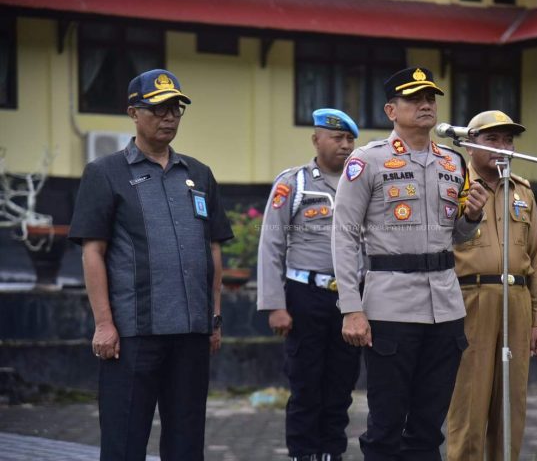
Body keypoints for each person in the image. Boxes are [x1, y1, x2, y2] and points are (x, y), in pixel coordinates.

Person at [68, 69, 233, 460]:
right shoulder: (105, 173)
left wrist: (213, 318)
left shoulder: (198, 174)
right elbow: (93, 252)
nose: (169, 117)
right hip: (133, 335)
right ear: (133, 113)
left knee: (186, 444)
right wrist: (104, 324)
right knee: (124, 443)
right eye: (158, 109)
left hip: (191, 334)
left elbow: (212, 249)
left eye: (176, 108)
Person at [332, 67, 488, 461]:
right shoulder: (367, 161)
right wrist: (351, 308)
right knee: (385, 427)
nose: (425, 105)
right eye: (414, 98)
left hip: (445, 307)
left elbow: (457, 236)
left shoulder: (453, 163)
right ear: (391, 110)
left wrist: (472, 216)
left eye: (430, 98)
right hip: (391, 308)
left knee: (427, 428)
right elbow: (344, 235)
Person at [257, 108, 362, 461]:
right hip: (305, 296)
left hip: (349, 299)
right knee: (305, 384)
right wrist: (275, 305)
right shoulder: (294, 182)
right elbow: (271, 244)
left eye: (349, 139)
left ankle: (332, 453)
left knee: (341, 385)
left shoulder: (361, 182)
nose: (345, 145)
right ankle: (303, 454)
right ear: (316, 139)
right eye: (337, 138)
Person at [446, 110, 537, 461]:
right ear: (470, 145)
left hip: (516, 302)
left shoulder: (523, 191)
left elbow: (536, 260)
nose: (503, 147)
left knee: (511, 404)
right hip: (471, 301)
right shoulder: (454, 186)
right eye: (492, 139)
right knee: (469, 402)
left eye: (508, 140)